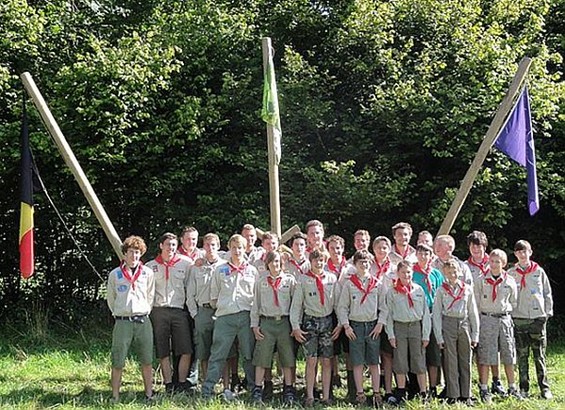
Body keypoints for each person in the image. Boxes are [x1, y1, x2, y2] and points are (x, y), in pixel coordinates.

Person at [201, 234, 258, 400]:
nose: (237, 251)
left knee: (248, 354)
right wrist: (223, 307)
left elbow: (256, 296)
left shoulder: (252, 271)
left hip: (246, 316)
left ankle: (254, 388)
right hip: (225, 317)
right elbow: (214, 296)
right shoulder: (220, 270)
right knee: (218, 354)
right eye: (234, 248)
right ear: (229, 249)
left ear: (245, 248)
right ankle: (207, 390)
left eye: (240, 247)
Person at [107, 236, 155, 402]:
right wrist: (121, 312)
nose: (134, 256)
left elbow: (151, 296)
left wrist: (144, 310)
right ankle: (115, 395)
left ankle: (149, 394)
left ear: (140, 254)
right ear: (124, 254)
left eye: (137, 253)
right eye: (131, 253)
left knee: (147, 359)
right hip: (122, 321)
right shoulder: (115, 274)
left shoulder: (147, 273)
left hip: (143, 320)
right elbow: (111, 299)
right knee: (118, 359)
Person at [290, 249, 341, 406]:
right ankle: (310, 395)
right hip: (310, 323)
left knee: (327, 361)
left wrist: (340, 324)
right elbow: (296, 305)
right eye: (316, 260)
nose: (319, 263)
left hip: (327, 322)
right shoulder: (303, 280)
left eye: (322, 260)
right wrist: (296, 326)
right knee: (311, 360)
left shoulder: (331, 278)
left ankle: (326, 396)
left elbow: (338, 303)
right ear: (310, 261)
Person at [337, 250, 387, 407]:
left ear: (370, 264)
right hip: (355, 327)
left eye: (366, 262)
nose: (364, 265)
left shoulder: (377, 284)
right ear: (355, 265)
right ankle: (360, 393)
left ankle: (377, 392)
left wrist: (380, 324)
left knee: (374, 361)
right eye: (360, 262)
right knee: (357, 362)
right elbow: (342, 307)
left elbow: (384, 307)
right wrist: (346, 326)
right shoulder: (349, 284)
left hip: (373, 326)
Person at [146, 233, 193, 393]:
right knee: (162, 348)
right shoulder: (151, 266)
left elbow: (191, 287)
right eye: (168, 244)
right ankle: (168, 383)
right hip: (158, 311)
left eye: (173, 244)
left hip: (179, 310)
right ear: (161, 246)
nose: (171, 248)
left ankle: (181, 382)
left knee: (186, 349)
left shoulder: (185, 264)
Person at [507, 240, 553, 399]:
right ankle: (524, 388)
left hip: (537, 318)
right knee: (522, 356)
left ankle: (544, 388)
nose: (522, 254)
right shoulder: (511, 273)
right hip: (518, 318)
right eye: (519, 252)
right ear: (515, 254)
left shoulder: (538, 272)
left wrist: (547, 313)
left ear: (530, 252)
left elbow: (547, 293)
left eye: (524, 251)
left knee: (539, 355)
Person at [250, 251, 297, 404]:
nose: (275, 264)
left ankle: (288, 389)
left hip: (284, 322)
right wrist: (255, 325)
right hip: (267, 323)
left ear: (281, 263)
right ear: (267, 264)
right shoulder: (261, 281)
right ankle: (258, 388)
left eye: (277, 261)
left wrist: (295, 325)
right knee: (262, 357)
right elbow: (255, 305)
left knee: (287, 357)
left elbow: (296, 305)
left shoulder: (289, 281)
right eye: (271, 262)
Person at [474, 249, 521, 403]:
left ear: (504, 263)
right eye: (492, 261)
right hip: (487, 319)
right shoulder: (481, 280)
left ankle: (512, 387)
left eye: (498, 262)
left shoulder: (510, 281)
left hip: (504, 319)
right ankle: (484, 388)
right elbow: (476, 301)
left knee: (508, 354)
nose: (494, 265)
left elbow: (513, 301)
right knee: (486, 355)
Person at [432, 259, 479, 405]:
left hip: (464, 323)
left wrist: (475, 334)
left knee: (465, 359)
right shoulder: (441, 290)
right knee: (450, 360)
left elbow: (473, 312)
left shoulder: (467, 289)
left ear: (459, 272)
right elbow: (437, 314)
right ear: (444, 273)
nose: (452, 275)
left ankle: (466, 394)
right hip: (448, 323)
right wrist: (439, 337)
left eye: (454, 272)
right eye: (449, 272)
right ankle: (453, 394)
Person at [186, 233, 230, 389]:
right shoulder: (196, 267)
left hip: (222, 312)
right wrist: (195, 315)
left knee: (222, 350)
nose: (210, 248)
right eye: (207, 245)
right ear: (203, 247)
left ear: (218, 246)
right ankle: (207, 386)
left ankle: (226, 387)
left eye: (213, 245)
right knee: (203, 351)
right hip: (203, 312)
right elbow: (190, 294)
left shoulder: (226, 265)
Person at [465, 230, 505, 396]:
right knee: (479, 351)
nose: (476, 250)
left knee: (493, 349)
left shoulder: (494, 262)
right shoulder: (464, 266)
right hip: (473, 314)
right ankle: (481, 384)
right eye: (473, 247)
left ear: (485, 247)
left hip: (491, 313)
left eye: (479, 247)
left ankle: (497, 380)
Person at [386, 260, 431, 403]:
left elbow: (425, 314)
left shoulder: (418, 290)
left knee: (418, 359)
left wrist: (425, 335)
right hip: (399, 327)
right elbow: (388, 315)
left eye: (409, 272)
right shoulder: (392, 292)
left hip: (416, 327)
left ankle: (423, 392)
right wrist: (391, 335)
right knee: (400, 360)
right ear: (398, 273)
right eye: (403, 272)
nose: (406, 275)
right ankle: (401, 392)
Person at [412, 244, 444, 397]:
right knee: (419, 354)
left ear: (431, 256)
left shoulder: (437, 274)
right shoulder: (411, 273)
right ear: (416, 255)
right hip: (417, 317)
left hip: (433, 315)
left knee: (434, 354)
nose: (423, 257)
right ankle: (420, 388)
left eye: (426, 254)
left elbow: (441, 294)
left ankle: (433, 387)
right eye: (420, 254)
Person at [369, 235, 396, 404]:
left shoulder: (394, 269)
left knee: (387, 354)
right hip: (371, 314)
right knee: (373, 356)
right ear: (373, 250)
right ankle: (375, 390)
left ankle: (388, 389)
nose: (382, 250)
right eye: (379, 247)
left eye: (385, 248)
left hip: (390, 315)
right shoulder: (367, 267)